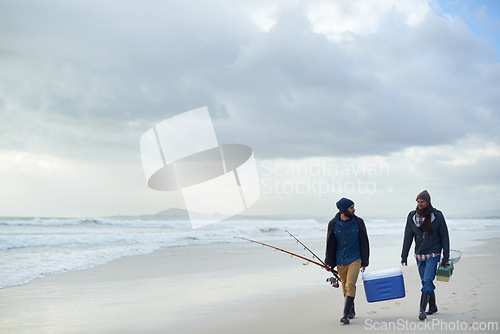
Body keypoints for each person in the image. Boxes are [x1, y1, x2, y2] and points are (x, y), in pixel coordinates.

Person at [401, 190, 450, 321]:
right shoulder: (412, 216)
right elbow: (408, 236)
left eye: (422, 202)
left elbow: (444, 236)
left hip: (433, 253)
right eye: (417, 201)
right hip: (419, 254)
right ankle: (433, 306)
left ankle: (422, 309)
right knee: (425, 281)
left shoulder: (437, 216)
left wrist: (446, 256)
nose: (419, 204)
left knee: (427, 280)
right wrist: (403, 256)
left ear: (428, 202)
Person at [325, 197, 370, 325]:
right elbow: (330, 244)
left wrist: (365, 261)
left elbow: (364, 242)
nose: (354, 209)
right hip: (340, 260)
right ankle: (351, 310)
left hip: (355, 258)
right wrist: (328, 262)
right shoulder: (333, 223)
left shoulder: (359, 222)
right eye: (351, 207)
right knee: (344, 286)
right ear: (344, 209)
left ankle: (345, 315)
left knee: (350, 284)